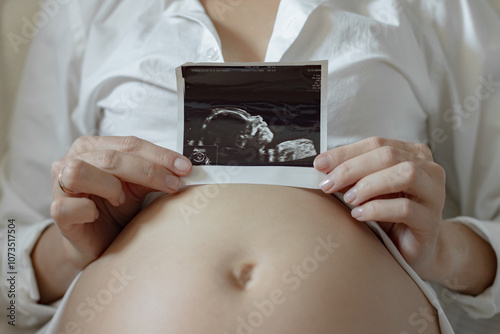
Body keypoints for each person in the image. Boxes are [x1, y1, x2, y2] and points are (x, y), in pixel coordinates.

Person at [0, 0, 499, 333]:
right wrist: (68, 251)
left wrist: (446, 252)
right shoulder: (81, 11)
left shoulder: (441, 8)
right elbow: (5, 274)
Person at [194, 107, 317, 164]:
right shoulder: (295, 150)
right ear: (238, 143)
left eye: (250, 115)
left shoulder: (298, 148)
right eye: (246, 120)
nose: (258, 118)